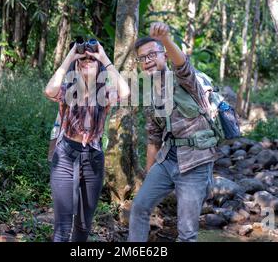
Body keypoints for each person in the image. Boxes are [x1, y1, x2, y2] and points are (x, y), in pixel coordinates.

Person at [128, 22, 218, 242]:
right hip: (167, 160)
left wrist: (165, 38)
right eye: (142, 58)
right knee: (139, 208)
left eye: (152, 54)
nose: (148, 61)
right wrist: (149, 176)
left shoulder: (185, 81)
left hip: (195, 163)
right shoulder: (150, 96)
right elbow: (153, 139)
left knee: (186, 233)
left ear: (164, 56)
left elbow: (183, 65)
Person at [44, 40, 130, 242]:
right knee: (62, 226)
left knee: (83, 224)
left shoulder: (105, 92)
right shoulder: (68, 89)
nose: (86, 61)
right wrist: (71, 56)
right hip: (65, 154)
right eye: (82, 59)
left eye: (91, 59)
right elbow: (49, 91)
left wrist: (103, 57)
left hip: (93, 156)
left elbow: (125, 92)